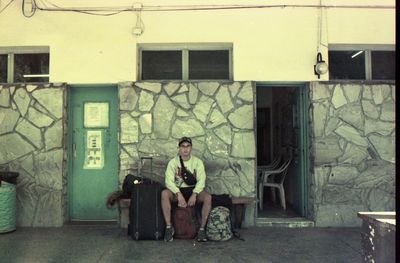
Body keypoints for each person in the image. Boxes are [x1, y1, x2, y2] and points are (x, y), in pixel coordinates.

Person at [161, 136, 212, 242]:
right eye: (183, 146)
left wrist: (195, 194)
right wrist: (178, 195)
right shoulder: (173, 162)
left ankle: (202, 230)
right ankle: (169, 228)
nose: (185, 149)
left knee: (208, 197)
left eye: (188, 146)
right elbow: (168, 181)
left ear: (191, 148)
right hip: (178, 190)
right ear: (179, 148)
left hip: (193, 190)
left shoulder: (197, 162)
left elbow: (201, 180)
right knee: (164, 194)